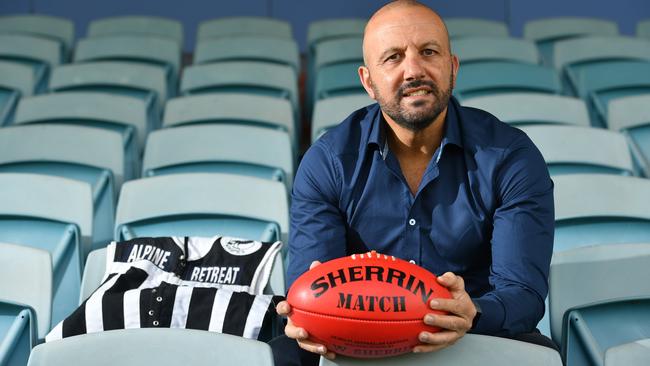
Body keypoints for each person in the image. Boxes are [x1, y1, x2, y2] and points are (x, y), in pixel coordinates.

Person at [271, 1, 556, 364]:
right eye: (392, 58)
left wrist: (472, 313)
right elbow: (309, 293)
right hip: (358, 340)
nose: (414, 70)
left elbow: (522, 296)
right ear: (368, 82)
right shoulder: (328, 162)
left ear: (452, 67)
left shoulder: (510, 156)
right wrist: (306, 317)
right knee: (284, 354)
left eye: (429, 52)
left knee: (541, 355)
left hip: (473, 338)